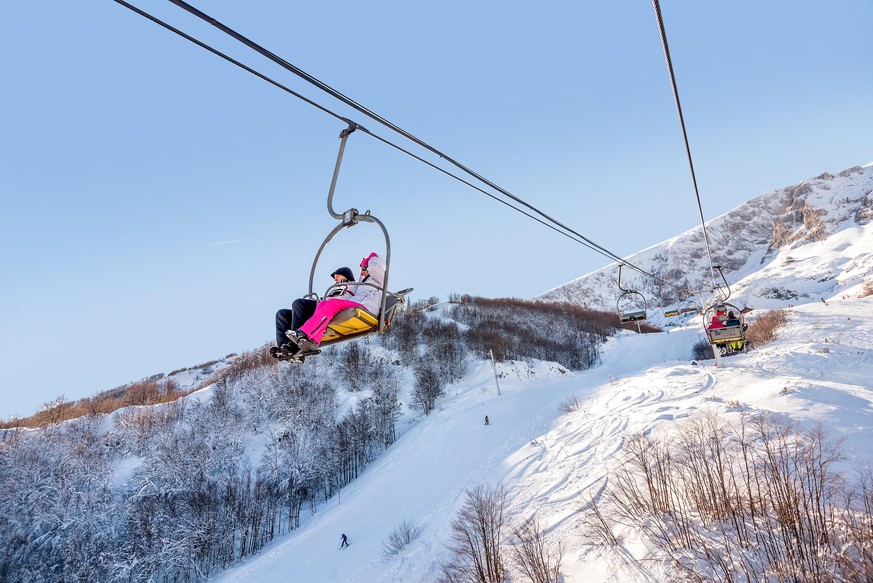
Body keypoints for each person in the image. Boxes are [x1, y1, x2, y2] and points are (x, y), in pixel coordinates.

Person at [286, 252, 386, 353]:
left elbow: (375, 266)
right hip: (357, 303)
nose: (363, 271)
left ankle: (304, 332)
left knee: (332, 303)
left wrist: (370, 257)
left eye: (365, 268)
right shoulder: (363, 281)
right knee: (322, 304)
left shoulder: (379, 278)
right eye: (362, 269)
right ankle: (314, 341)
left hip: (367, 307)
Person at [271, 266, 355, 361]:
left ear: (346, 276)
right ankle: (284, 347)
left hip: (330, 309)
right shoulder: (336, 288)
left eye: (337, 277)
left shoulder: (351, 286)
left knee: (298, 303)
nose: (335, 280)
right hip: (322, 308)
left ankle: (295, 344)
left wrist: (321, 300)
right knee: (282, 314)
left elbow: (341, 299)